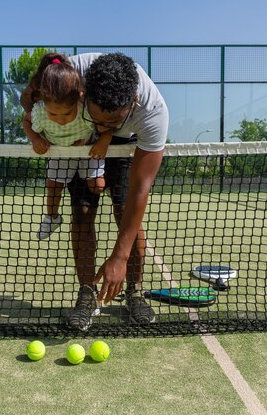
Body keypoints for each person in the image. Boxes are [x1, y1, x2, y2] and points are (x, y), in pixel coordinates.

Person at [21, 52, 168, 331]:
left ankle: (134, 291)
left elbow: (141, 188)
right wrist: (34, 106)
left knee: (126, 210)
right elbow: (28, 100)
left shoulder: (153, 114)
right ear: (82, 92)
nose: (102, 126)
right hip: (82, 144)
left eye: (110, 122)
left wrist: (119, 256)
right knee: (83, 212)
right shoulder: (70, 73)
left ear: (132, 104)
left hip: (129, 146)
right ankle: (86, 294)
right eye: (96, 118)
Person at [22, 53, 114, 240]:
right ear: (43, 103)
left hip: (87, 150)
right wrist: (35, 139)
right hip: (57, 151)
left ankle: (114, 186)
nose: (61, 120)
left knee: (97, 187)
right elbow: (25, 121)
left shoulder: (86, 110)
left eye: (66, 113)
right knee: (54, 185)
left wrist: (103, 140)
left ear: (77, 101)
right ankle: (52, 217)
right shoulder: (39, 112)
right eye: (53, 115)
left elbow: (106, 128)